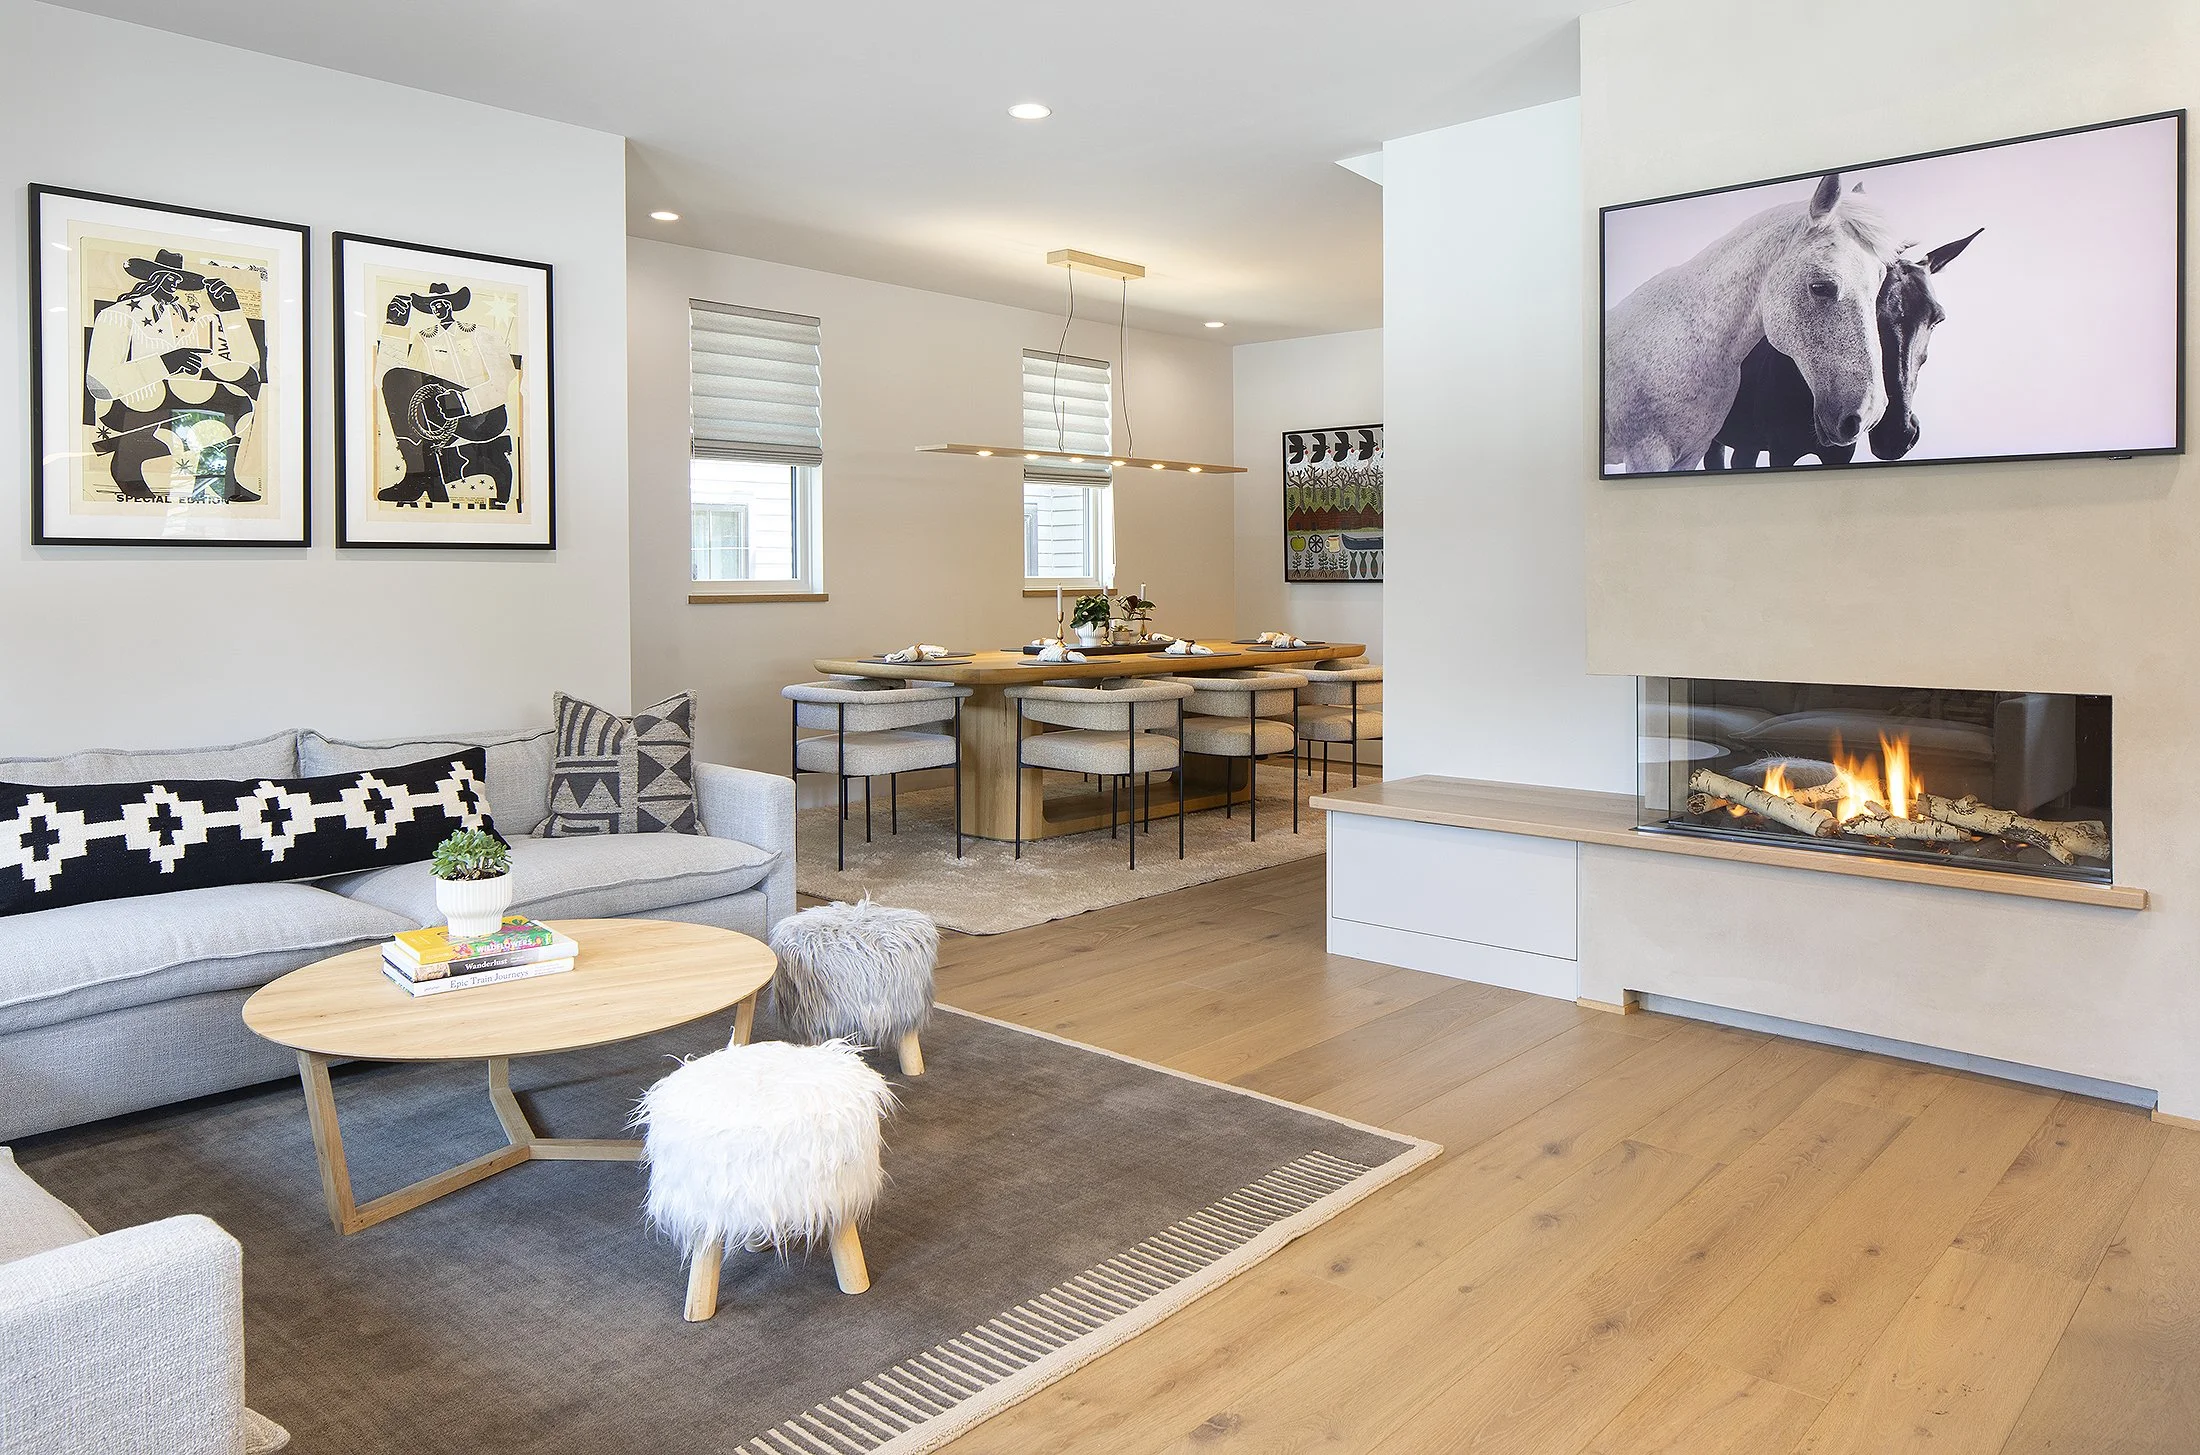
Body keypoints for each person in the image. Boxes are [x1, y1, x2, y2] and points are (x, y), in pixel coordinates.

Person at [83, 248, 263, 502]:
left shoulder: (186, 320)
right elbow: (99, 384)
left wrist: (231, 312)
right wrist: (166, 363)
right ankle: (128, 459)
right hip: (125, 406)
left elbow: (249, 367)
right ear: (152, 278)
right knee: (215, 398)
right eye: (170, 278)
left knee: (240, 385)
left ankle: (215, 475)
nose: (175, 285)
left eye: (179, 280)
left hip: (172, 398)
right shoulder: (117, 314)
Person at [373, 282, 519, 508]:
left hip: (486, 415)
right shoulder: (425, 338)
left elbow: (505, 378)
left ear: (451, 305)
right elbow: (390, 382)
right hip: (442, 419)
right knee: (396, 380)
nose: (437, 309)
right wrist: (395, 329)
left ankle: (422, 475)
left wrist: (464, 402)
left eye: (440, 303)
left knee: (407, 385)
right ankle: (418, 476)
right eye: (433, 306)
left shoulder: (480, 332)